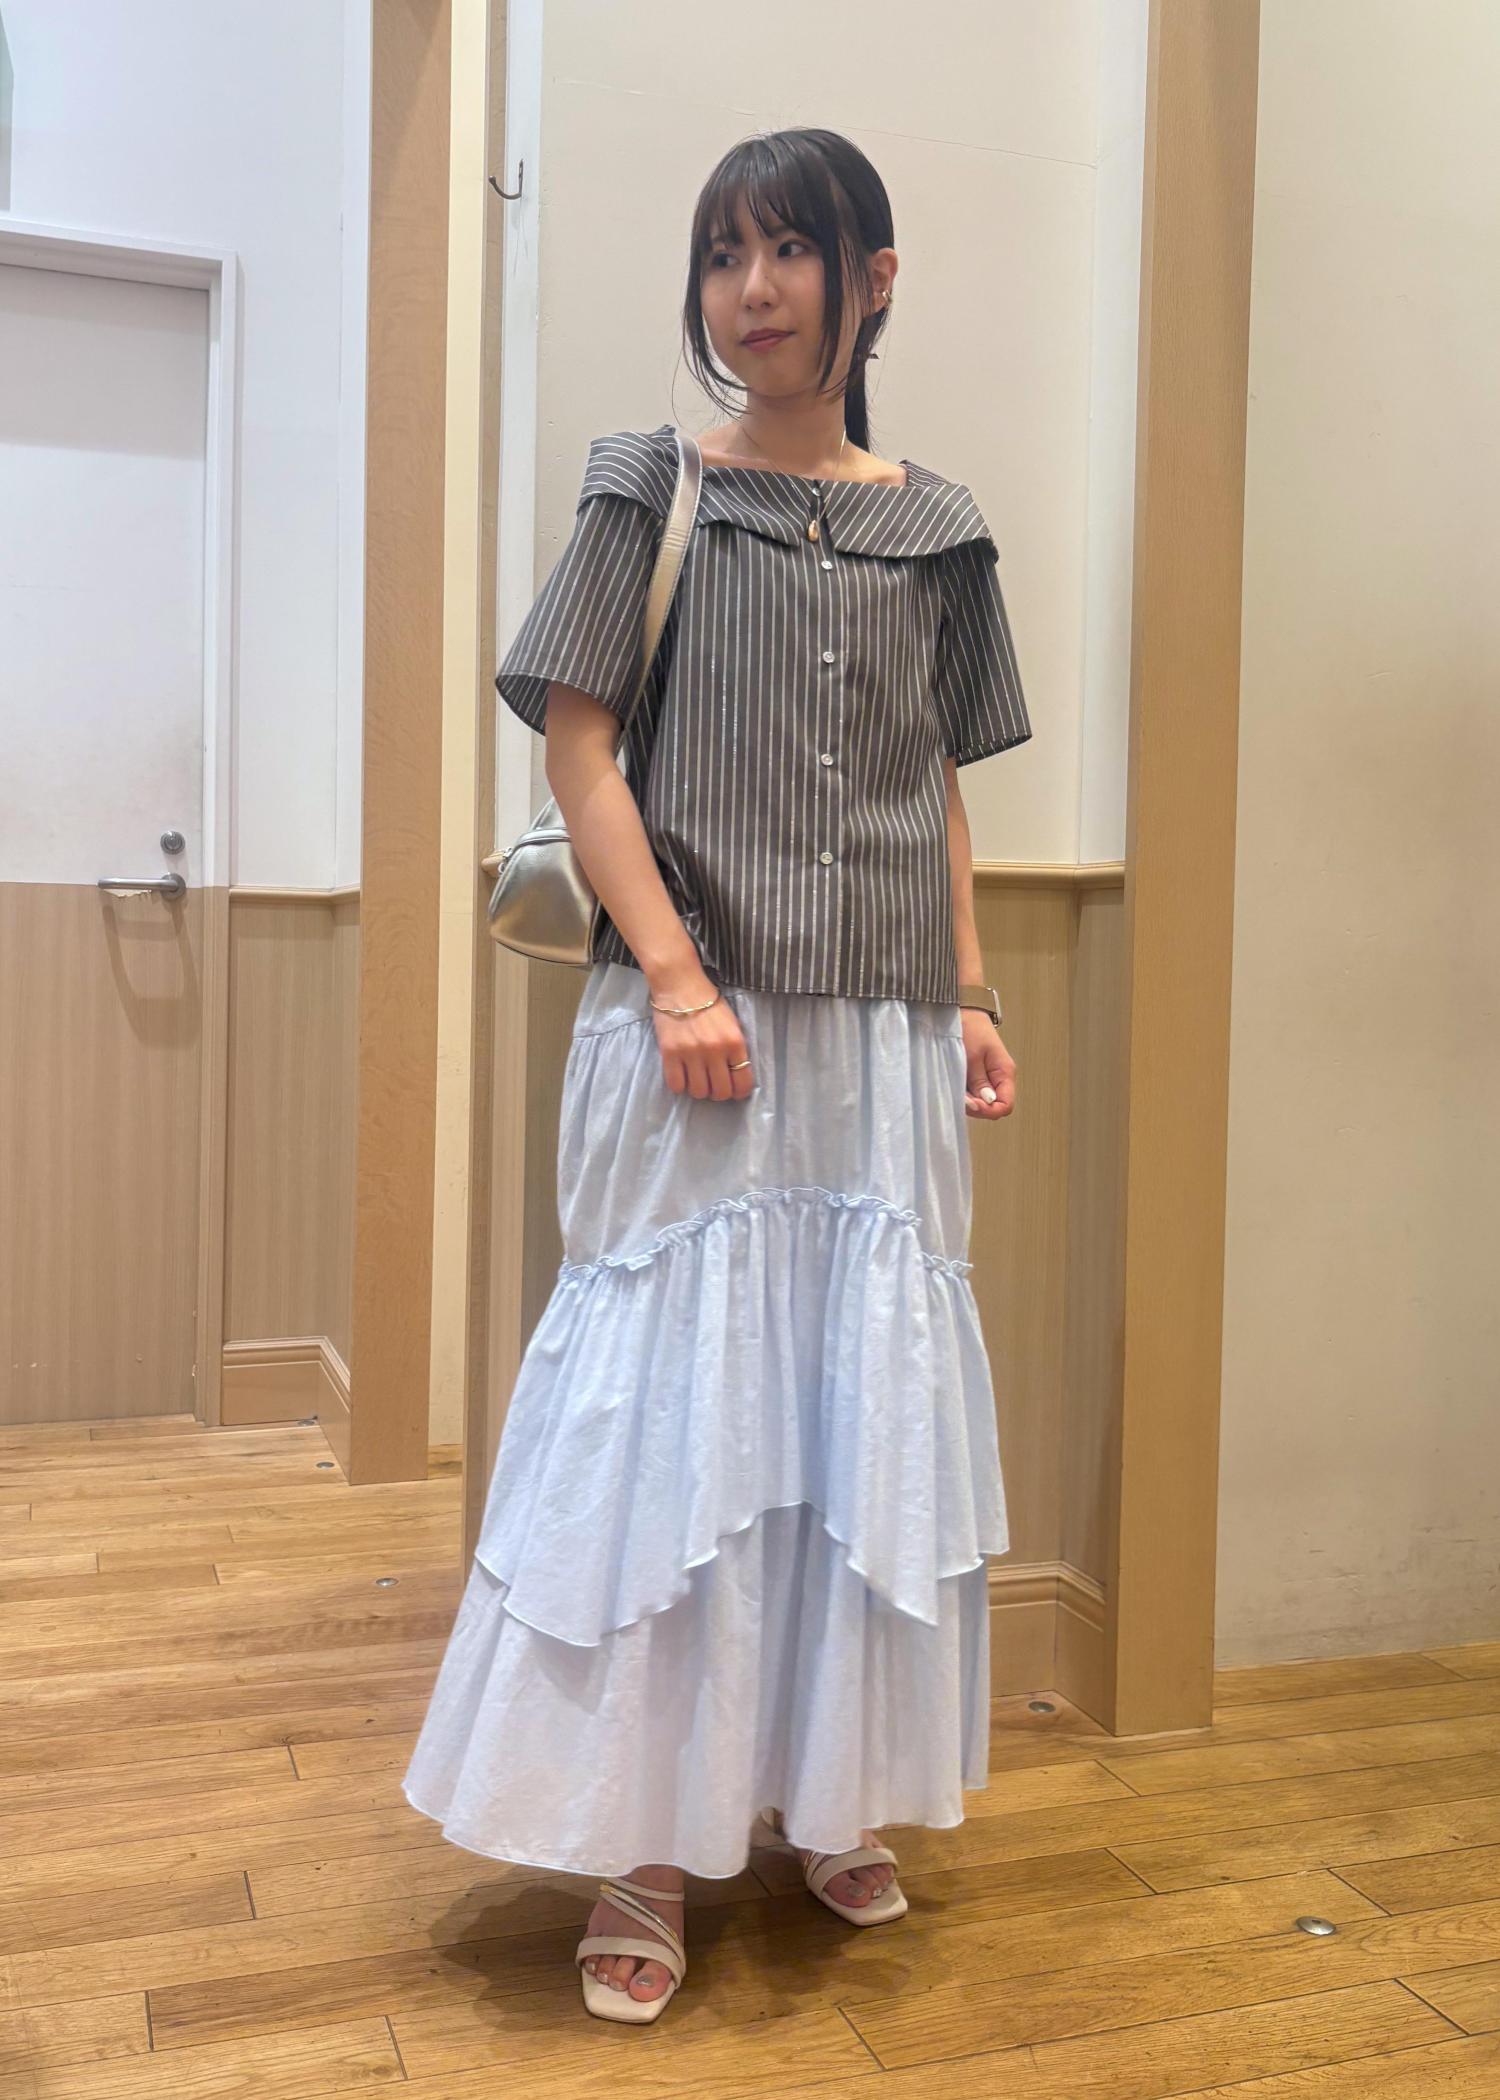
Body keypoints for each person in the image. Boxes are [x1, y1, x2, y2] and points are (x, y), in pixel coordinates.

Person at [401, 124, 1032, 2026]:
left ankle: (829, 1790)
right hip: (697, 1025)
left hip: (881, 1038)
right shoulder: (648, 488)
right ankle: (642, 1840)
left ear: (874, 278)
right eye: (723, 254)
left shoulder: (943, 528)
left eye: (791, 250)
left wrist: (973, 992)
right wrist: (674, 973)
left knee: (850, 1411)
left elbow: (932, 786)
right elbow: (578, 755)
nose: (752, 289)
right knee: (675, 1408)